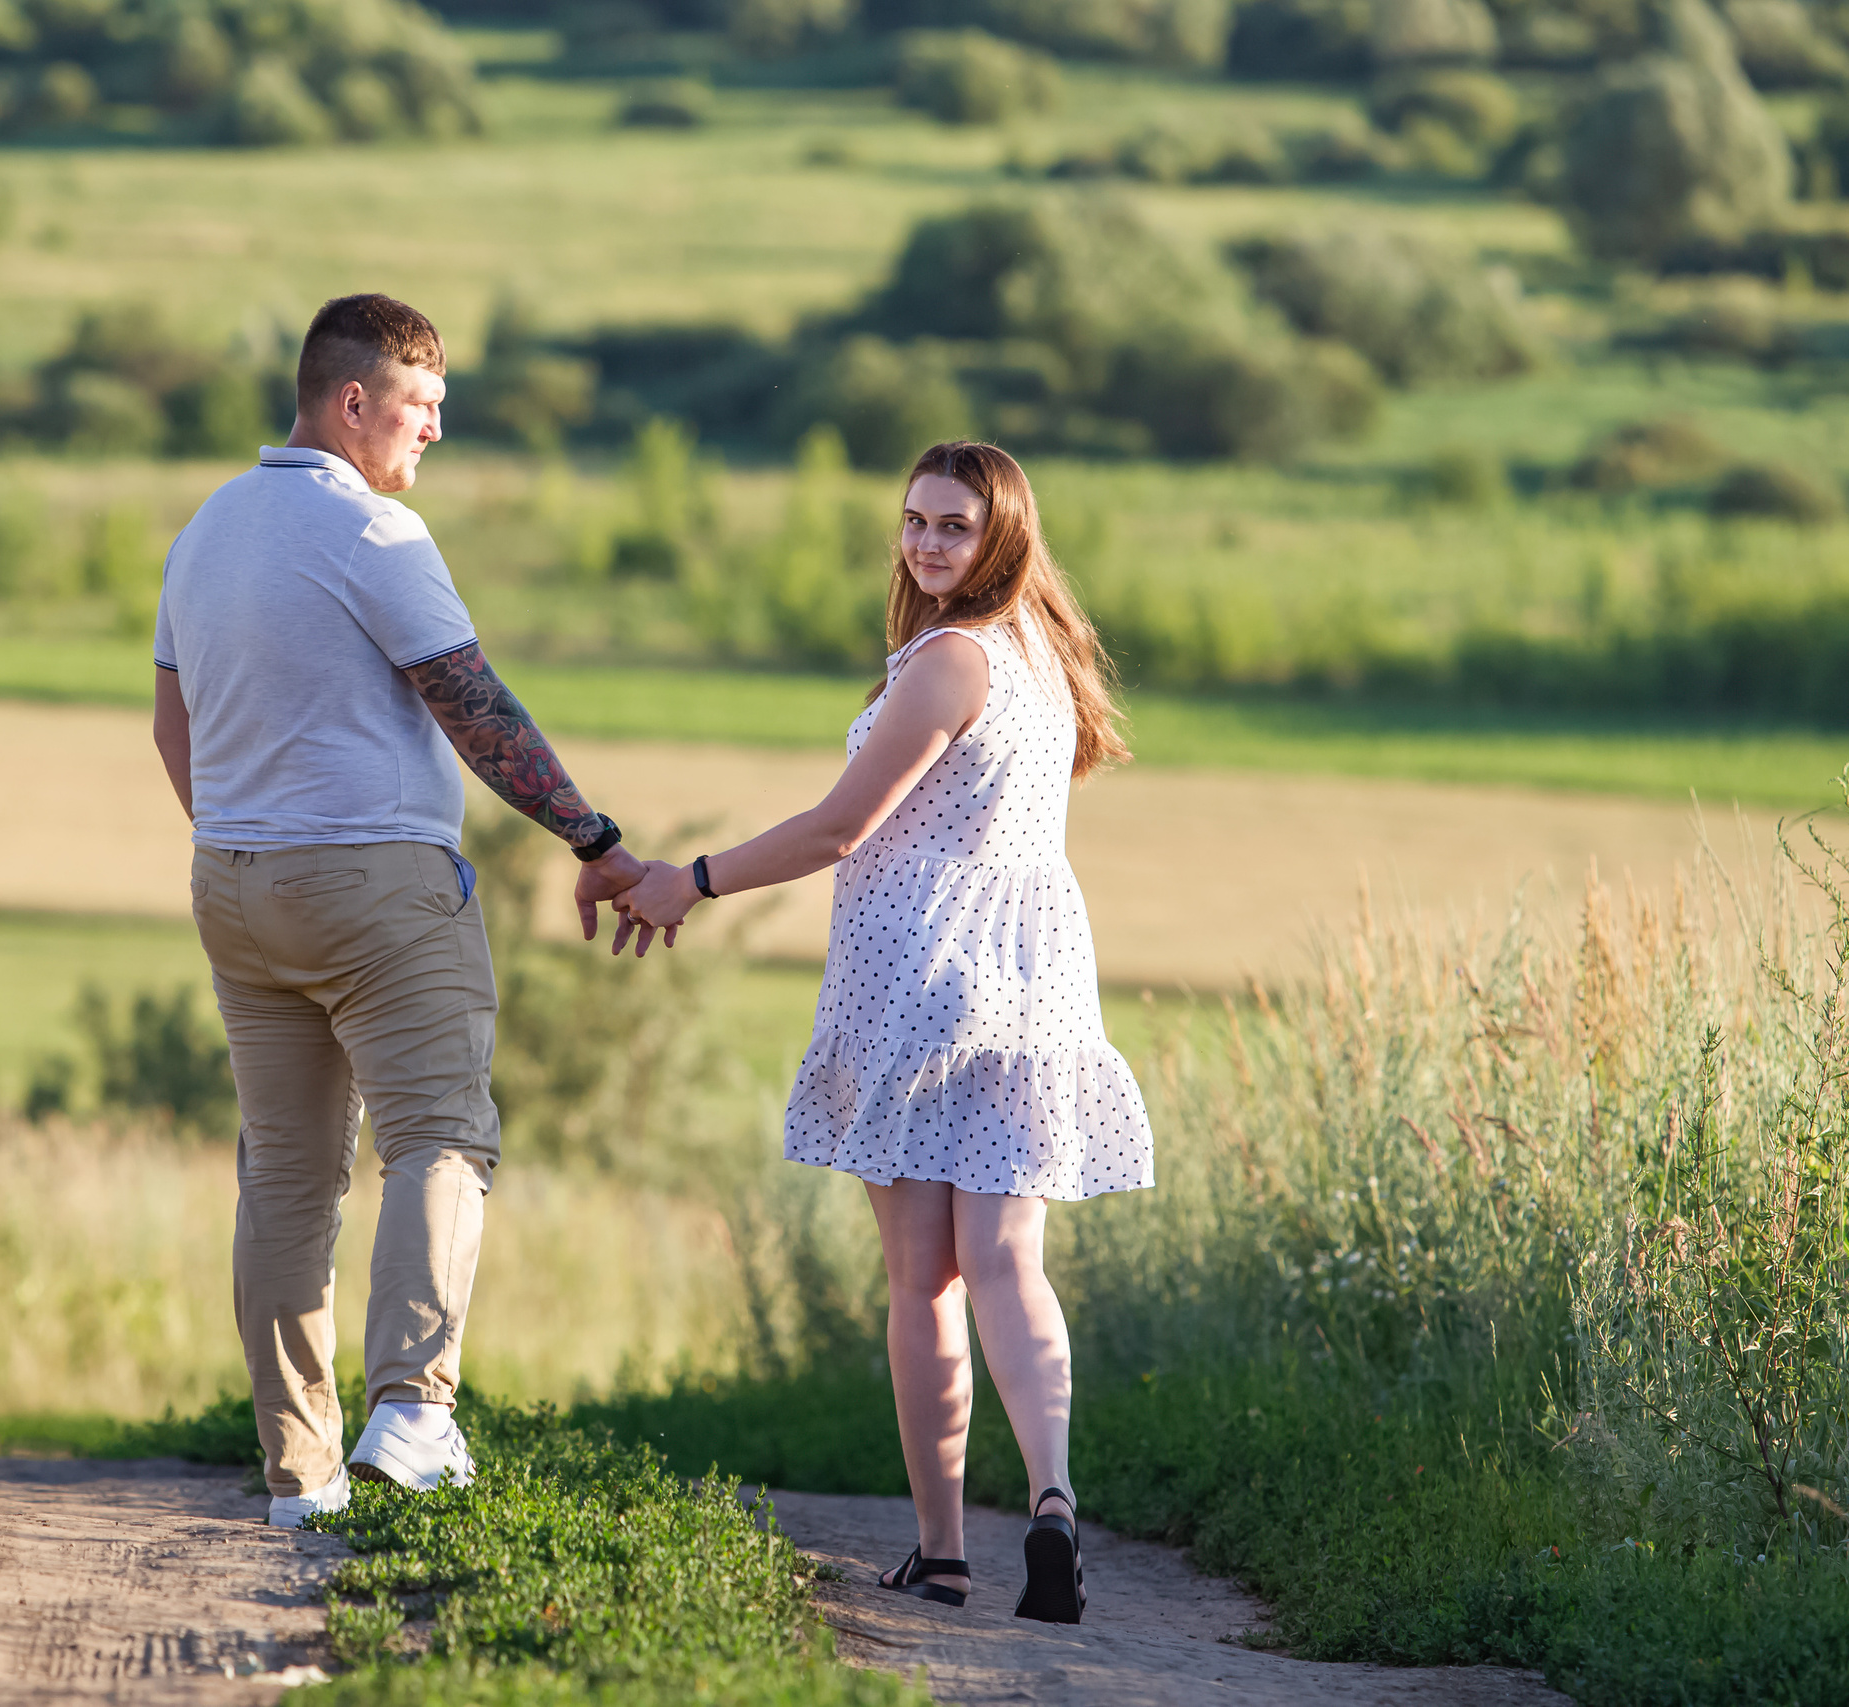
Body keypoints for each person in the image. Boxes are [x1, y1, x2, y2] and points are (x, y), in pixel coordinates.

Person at [616, 441, 1151, 1623]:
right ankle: (1054, 1501)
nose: (923, 542)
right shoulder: (1041, 657)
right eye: (913, 520)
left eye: (952, 526)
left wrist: (688, 880)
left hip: (919, 982)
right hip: (1037, 979)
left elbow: (837, 830)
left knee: (923, 1281)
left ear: (1002, 534)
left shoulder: (951, 660)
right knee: (1010, 1261)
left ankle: (944, 1552)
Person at [151, 292, 661, 1530]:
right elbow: (472, 705)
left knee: (284, 1174)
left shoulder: (208, 528)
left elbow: (173, 726)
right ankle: (416, 1410)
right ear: (352, 404)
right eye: (422, 408)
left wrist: (245, 835)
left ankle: (300, 1480)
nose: (433, 433)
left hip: (233, 879)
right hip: (377, 885)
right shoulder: (375, 535)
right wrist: (594, 842)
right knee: (441, 1133)